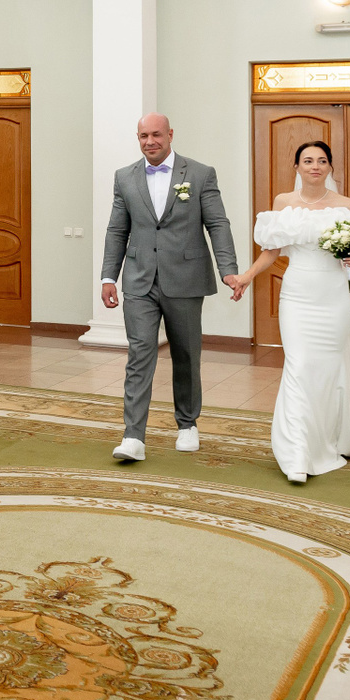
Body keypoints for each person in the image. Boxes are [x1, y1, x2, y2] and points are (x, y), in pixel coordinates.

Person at [229, 141, 350, 483]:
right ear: (296, 167)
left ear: (330, 168)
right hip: (298, 295)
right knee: (299, 367)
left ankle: (328, 439)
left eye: (322, 161)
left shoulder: (346, 206)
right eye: (308, 160)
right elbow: (272, 251)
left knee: (328, 370)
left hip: (334, 296)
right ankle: (296, 453)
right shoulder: (283, 203)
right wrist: (246, 277)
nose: (315, 166)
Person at [99, 113, 239, 463]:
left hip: (186, 278)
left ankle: (187, 424)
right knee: (139, 354)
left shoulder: (200, 174)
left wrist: (228, 270)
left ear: (170, 135)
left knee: (186, 354)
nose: (150, 141)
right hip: (139, 280)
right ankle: (133, 436)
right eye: (143, 136)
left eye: (156, 135)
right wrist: (107, 277)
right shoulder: (124, 177)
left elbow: (218, 224)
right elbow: (117, 230)